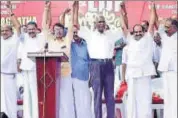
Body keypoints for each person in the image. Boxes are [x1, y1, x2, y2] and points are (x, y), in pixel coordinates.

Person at [78, 2, 126, 118]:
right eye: (99, 22)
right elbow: (75, 26)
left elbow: (124, 28)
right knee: (97, 95)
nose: (101, 24)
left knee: (110, 95)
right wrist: (74, 9)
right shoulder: (89, 34)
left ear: (105, 24)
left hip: (109, 65)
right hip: (95, 65)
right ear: (95, 24)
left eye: (103, 22)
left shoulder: (111, 34)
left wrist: (123, 13)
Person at [121, 2, 156, 118]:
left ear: (143, 31)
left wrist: (152, 7)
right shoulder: (130, 40)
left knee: (145, 99)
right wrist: (122, 10)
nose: (138, 33)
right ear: (133, 32)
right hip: (132, 74)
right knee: (132, 100)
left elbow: (151, 23)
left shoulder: (148, 38)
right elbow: (123, 27)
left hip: (145, 74)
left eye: (140, 31)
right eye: (136, 31)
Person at [42, 1, 75, 118]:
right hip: (52, 75)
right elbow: (44, 26)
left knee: (66, 99)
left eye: (60, 29)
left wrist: (70, 11)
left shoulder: (67, 40)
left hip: (65, 73)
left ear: (63, 31)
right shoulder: (50, 40)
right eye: (56, 29)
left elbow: (71, 27)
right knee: (54, 99)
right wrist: (46, 9)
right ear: (53, 31)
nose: (58, 31)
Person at [17, 22, 45, 118]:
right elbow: (20, 52)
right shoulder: (24, 38)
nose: (31, 31)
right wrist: (18, 63)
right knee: (26, 94)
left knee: (35, 93)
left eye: (33, 29)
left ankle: (37, 115)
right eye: (29, 29)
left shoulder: (41, 38)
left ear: (37, 29)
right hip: (25, 69)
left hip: (36, 69)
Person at [1, 1, 21, 118]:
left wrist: (10, 11)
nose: (4, 32)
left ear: (11, 32)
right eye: (2, 30)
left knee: (11, 101)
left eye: (6, 30)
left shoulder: (15, 40)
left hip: (9, 75)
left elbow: (18, 26)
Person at [156, 18, 178, 118]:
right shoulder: (164, 36)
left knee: (175, 98)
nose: (165, 29)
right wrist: (153, 5)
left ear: (174, 27)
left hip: (175, 73)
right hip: (165, 72)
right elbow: (156, 23)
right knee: (167, 98)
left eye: (168, 27)